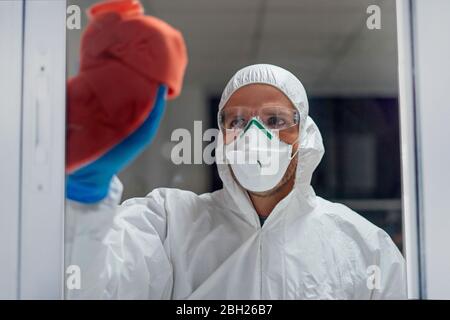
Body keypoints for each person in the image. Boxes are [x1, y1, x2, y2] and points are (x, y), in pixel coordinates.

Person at [65, 62, 407, 299]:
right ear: (223, 137)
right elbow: (90, 288)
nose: (255, 135)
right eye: (238, 122)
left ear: (305, 136)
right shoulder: (170, 224)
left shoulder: (363, 247)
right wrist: (87, 198)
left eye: (274, 119)